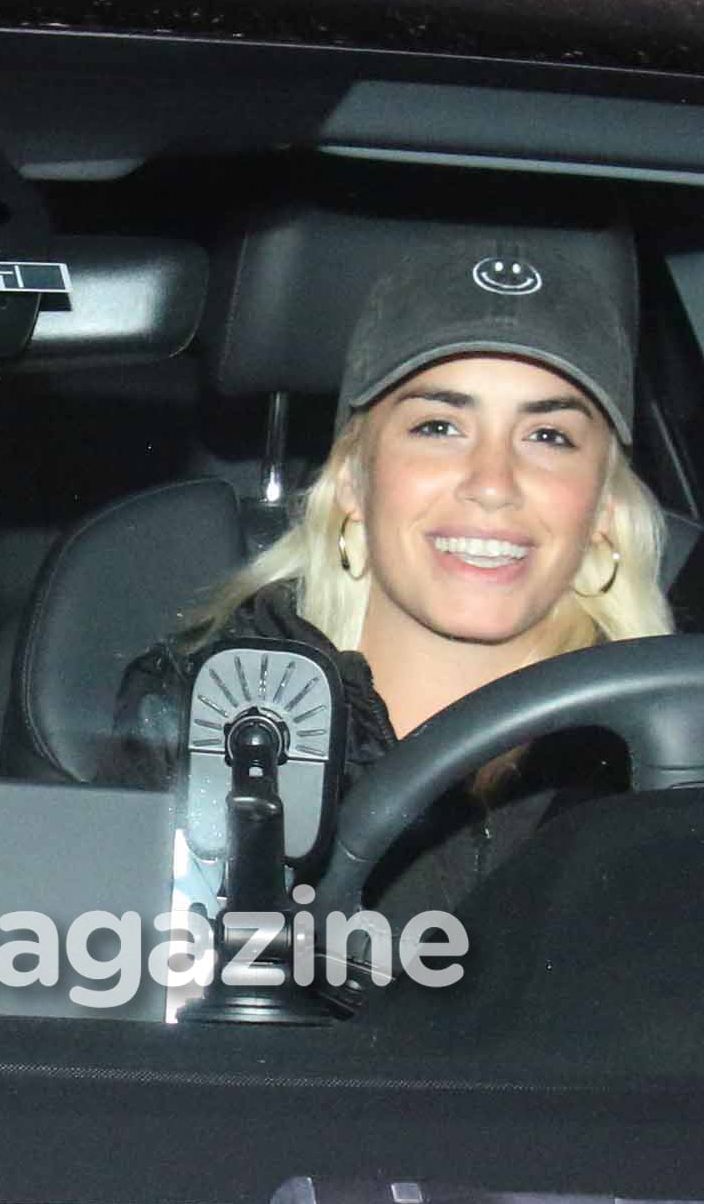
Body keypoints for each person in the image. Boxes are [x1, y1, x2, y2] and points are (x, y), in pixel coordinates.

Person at [111, 225, 673, 914]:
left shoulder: (681, 752)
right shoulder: (207, 726)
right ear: (352, 480)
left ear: (605, 511)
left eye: (548, 436)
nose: (492, 483)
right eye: (439, 426)